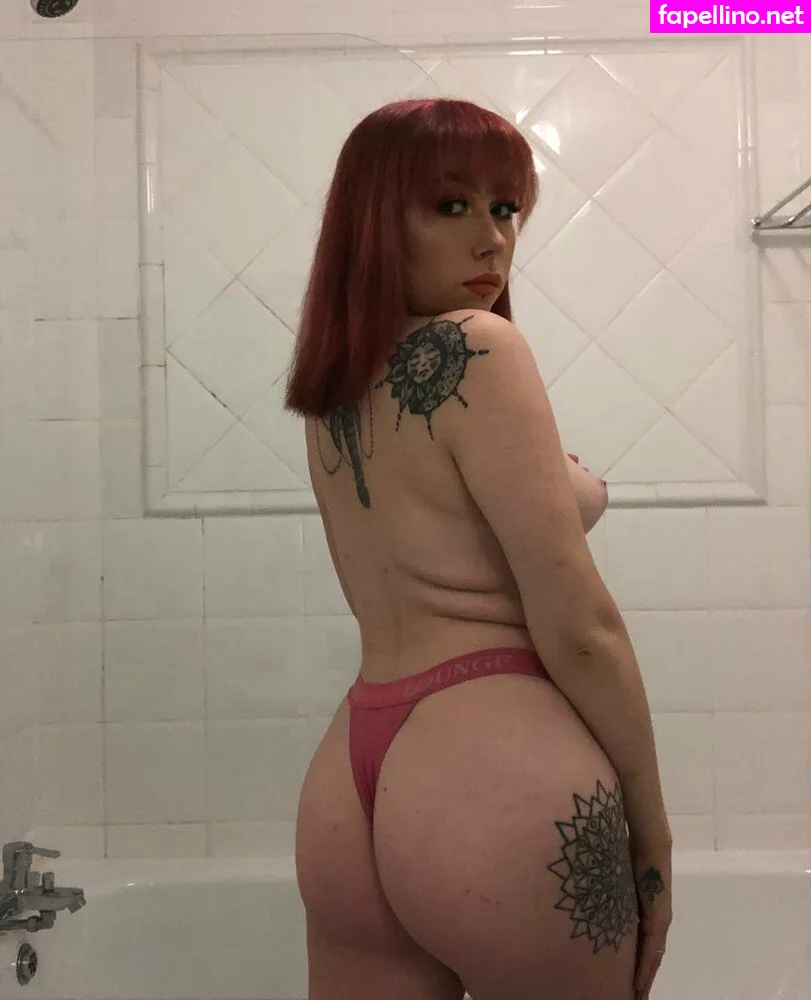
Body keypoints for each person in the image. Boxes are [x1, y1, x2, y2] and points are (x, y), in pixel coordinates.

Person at [285, 97, 672, 1000]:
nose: (492, 238)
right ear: (373, 221)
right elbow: (582, 630)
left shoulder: (337, 389)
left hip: (350, 780)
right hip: (494, 766)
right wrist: (651, 830)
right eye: (450, 205)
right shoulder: (479, 347)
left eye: (505, 207)